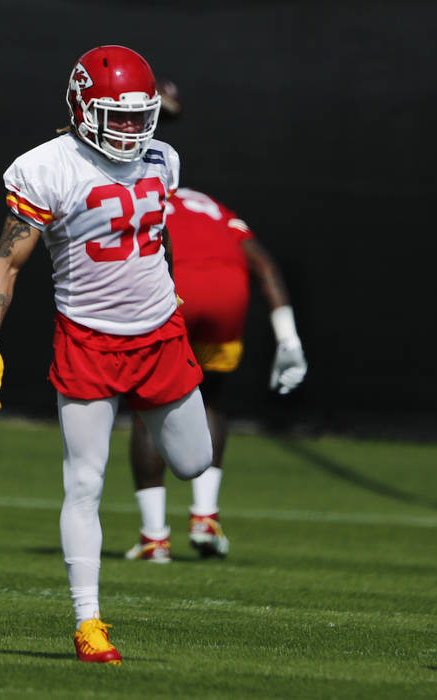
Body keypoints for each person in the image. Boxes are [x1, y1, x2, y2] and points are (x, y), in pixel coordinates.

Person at [0, 46, 212, 665]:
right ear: (82, 109)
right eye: (118, 116)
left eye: (141, 115)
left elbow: (158, 237)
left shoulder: (165, 158)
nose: (133, 129)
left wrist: (170, 286)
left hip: (160, 332)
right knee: (84, 482)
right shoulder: (47, 168)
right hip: (88, 337)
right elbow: (7, 260)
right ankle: (88, 623)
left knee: (195, 462)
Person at [123, 185, 307, 562]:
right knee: (210, 399)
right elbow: (264, 264)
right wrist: (288, 340)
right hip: (227, 294)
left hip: (176, 287)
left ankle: (154, 537)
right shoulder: (212, 206)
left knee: (148, 408)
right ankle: (205, 518)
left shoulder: (138, 193)